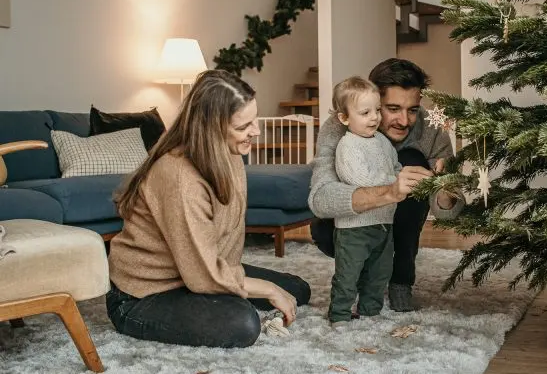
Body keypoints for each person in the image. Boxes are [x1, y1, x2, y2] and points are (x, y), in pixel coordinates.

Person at [106, 70, 311, 348]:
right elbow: (202, 275)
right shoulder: (179, 177)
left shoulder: (230, 154)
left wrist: (246, 283)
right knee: (243, 323)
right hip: (145, 293)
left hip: (196, 272)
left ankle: (232, 292)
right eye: (243, 126)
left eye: (254, 120)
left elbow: (211, 258)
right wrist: (266, 289)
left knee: (298, 289)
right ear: (211, 128)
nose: (256, 131)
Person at [309, 58, 464, 312]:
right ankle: (364, 269)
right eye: (392, 108)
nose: (404, 121)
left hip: (400, 217)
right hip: (352, 225)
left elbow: (451, 210)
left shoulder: (432, 129)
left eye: (412, 109)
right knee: (322, 231)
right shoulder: (340, 126)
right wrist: (390, 191)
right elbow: (320, 199)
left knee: (412, 160)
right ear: (373, 102)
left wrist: (445, 191)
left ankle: (401, 279)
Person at [328, 77, 401, 326]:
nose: (375, 118)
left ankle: (371, 311)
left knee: (379, 273)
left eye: (377, 110)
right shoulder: (347, 146)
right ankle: (339, 314)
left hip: (384, 223)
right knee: (348, 274)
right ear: (344, 118)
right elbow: (360, 179)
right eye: (365, 112)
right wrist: (395, 181)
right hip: (354, 229)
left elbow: (395, 165)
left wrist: (404, 176)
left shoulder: (382, 141)